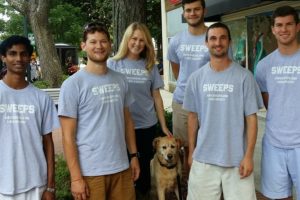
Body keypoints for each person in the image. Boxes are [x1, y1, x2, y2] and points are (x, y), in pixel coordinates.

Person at [58, 22, 140, 200]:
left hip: (121, 167)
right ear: (83, 46)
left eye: (103, 41)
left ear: (110, 45)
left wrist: (133, 155)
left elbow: (127, 121)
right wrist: (76, 178)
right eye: (93, 42)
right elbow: (67, 136)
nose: (99, 46)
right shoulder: (73, 85)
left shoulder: (121, 80)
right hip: (90, 172)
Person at [183, 22, 263, 200]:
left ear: (229, 42)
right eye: (213, 38)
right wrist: (192, 152)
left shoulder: (245, 77)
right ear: (206, 43)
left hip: (237, 159)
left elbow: (251, 119)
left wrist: (249, 155)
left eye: (222, 38)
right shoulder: (195, 79)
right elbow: (192, 117)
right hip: (204, 158)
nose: (217, 42)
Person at [107, 22, 171, 198]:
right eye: (134, 38)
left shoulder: (149, 65)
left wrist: (164, 126)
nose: (137, 43)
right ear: (127, 39)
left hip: (145, 126)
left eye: (142, 40)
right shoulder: (113, 64)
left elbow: (156, 96)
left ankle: (142, 195)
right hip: (121, 127)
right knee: (123, 168)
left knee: (142, 169)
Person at [0, 35, 59, 199]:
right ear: (3, 57)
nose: (18, 58)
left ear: (29, 57)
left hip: (36, 185)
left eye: (23, 54)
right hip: (2, 186)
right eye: (12, 53)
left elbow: (48, 143)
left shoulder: (41, 98)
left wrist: (51, 187)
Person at [255, 6, 300, 200]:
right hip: (274, 144)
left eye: (289, 24)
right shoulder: (264, 66)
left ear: (298, 27)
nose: (284, 29)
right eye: (279, 25)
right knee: (278, 197)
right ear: (273, 29)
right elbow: (268, 104)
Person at [167, 0, 210, 172]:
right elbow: (177, 69)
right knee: (184, 147)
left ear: (204, 11)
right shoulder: (177, 40)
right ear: (184, 13)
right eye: (188, 10)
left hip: (209, 102)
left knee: (208, 145)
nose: (192, 13)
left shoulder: (214, 37)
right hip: (182, 102)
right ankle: (187, 184)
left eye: (196, 9)